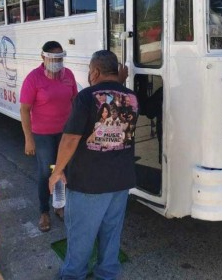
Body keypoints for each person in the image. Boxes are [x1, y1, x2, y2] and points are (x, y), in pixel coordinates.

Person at [49, 50, 138, 280]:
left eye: (90, 71)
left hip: (89, 182)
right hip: (121, 180)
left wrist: (57, 172)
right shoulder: (131, 97)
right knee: (111, 233)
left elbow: (69, 139)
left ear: (95, 71)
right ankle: (107, 274)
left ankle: (72, 276)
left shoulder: (86, 96)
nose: (89, 76)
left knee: (81, 235)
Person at [20, 41, 78, 233]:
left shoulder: (68, 75)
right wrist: (28, 138)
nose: (57, 61)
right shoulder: (33, 78)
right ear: (43, 57)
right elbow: (25, 109)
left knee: (64, 170)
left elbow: (75, 101)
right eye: (53, 58)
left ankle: (59, 206)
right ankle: (44, 211)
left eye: (60, 57)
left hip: (65, 133)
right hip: (43, 134)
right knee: (47, 172)